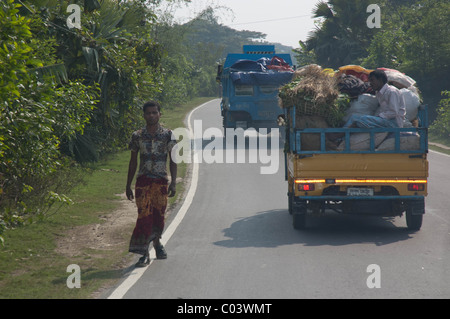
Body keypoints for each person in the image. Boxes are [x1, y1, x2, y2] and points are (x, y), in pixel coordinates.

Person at [126, 100, 177, 267]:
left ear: (159, 114)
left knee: (158, 216)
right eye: (148, 113)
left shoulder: (169, 134)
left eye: (154, 112)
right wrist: (128, 185)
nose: (151, 115)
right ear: (144, 115)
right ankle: (144, 252)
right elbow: (133, 162)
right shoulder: (137, 136)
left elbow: (173, 160)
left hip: (161, 182)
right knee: (143, 216)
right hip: (143, 182)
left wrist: (173, 183)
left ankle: (157, 244)